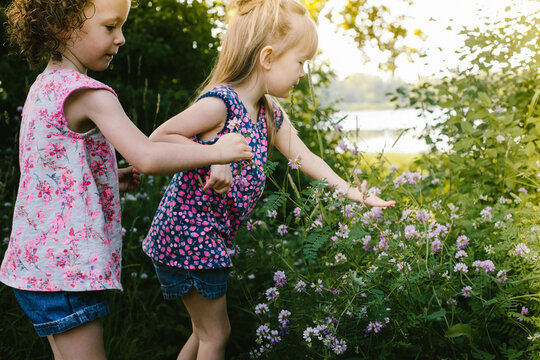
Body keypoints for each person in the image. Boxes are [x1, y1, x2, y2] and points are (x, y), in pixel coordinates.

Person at [142, 0, 396, 359]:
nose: (303, 73)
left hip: (204, 238)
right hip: (186, 235)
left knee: (204, 333)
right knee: (216, 334)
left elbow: (305, 157)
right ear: (268, 57)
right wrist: (215, 153)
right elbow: (157, 140)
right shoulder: (221, 104)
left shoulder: (268, 113)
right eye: (300, 62)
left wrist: (354, 192)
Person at [0, 0, 253, 359]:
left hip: (35, 268)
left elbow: (49, 173)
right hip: (65, 272)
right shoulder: (89, 94)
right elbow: (147, 156)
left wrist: (108, 179)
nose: (121, 39)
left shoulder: (43, 88)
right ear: (63, 27)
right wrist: (218, 151)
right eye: (110, 26)